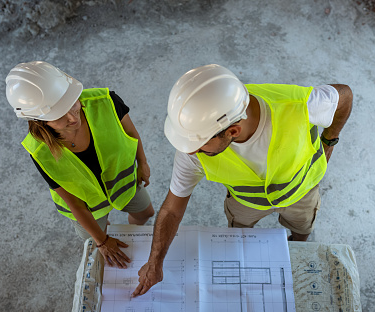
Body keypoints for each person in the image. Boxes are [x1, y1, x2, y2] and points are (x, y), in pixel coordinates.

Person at [132, 64, 352, 296]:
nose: (190, 152)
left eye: (199, 145)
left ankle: (295, 244)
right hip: (246, 203)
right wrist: (155, 262)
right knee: (239, 235)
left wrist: (330, 139)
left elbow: (344, 96)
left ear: (233, 131)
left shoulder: (298, 106)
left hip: (302, 193)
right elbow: (171, 210)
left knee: (301, 229)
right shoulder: (194, 149)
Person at [5, 61, 154, 268]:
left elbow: (131, 133)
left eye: (72, 104)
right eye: (58, 115)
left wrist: (143, 163)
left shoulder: (107, 101)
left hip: (123, 185)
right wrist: (102, 240)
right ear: (40, 121)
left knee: (145, 213)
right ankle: (105, 228)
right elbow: (74, 202)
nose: (72, 117)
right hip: (87, 206)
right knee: (94, 240)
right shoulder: (39, 150)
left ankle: (123, 233)